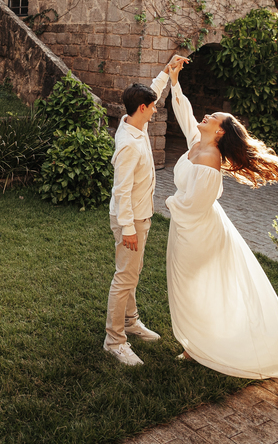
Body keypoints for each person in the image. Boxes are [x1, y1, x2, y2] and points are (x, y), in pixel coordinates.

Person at [161, 53, 278, 378]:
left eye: (212, 117)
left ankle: (204, 345)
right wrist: (174, 81)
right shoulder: (196, 143)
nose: (205, 116)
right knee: (186, 287)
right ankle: (194, 343)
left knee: (197, 288)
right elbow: (185, 114)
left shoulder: (210, 157)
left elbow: (195, 204)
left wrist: (169, 204)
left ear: (219, 134)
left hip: (198, 232)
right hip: (186, 228)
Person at [103, 71, 170, 366]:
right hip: (130, 220)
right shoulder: (129, 143)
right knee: (124, 278)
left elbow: (150, 92)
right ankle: (115, 340)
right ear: (142, 108)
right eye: (152, 106)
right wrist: (128, 228)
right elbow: (121, 191)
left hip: (140, 218)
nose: (155, 109)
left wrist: (167, 73)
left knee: (133, 273)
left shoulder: (133, 123)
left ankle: (131, 321)